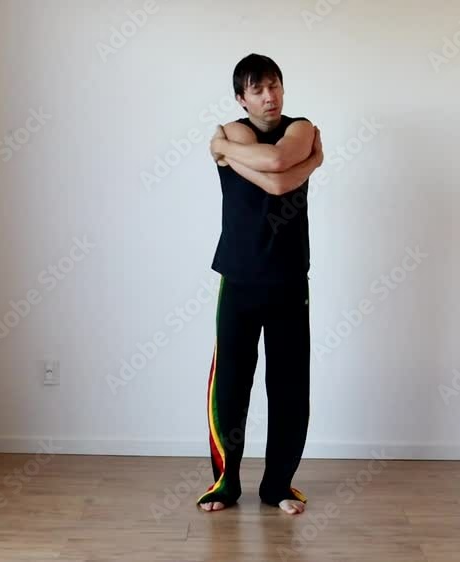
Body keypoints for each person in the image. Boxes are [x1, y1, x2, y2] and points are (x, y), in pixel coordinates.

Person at [197, 53, 323, 515]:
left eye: (275, 85)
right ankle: (224, 483)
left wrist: (225, 153)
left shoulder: (301, 128)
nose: (270, 96)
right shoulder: (234, 131)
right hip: (239, 277)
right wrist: (309, 164)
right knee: (230, 385)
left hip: (289, 277)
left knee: (289, 386)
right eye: (257, 89)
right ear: (241, 98)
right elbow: (274, 171)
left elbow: (276, 164)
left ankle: (278, 485)